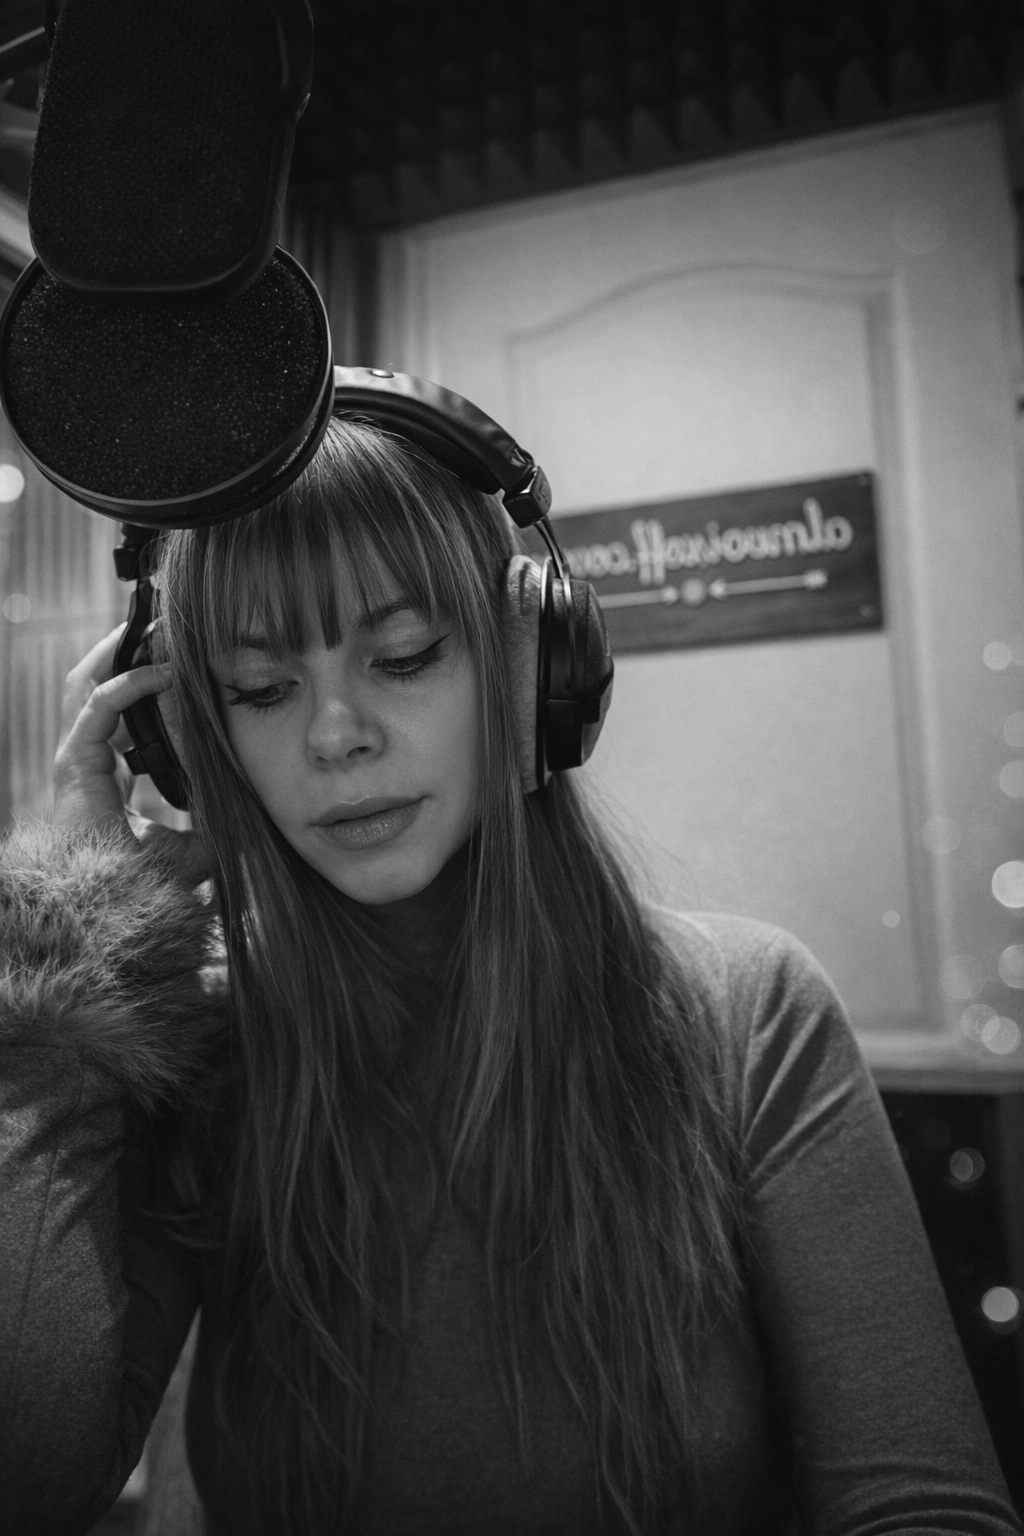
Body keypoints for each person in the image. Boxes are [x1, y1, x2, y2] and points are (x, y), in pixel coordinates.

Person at [0, 410, 1020, 1536]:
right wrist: (71, 929)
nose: (336, 735)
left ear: (532, 665)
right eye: (258, 688)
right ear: (188, 743)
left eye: (403, 657)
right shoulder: (203, 1049)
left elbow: (928, 1509)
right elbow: (29, 1484)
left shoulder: (750, 1012)